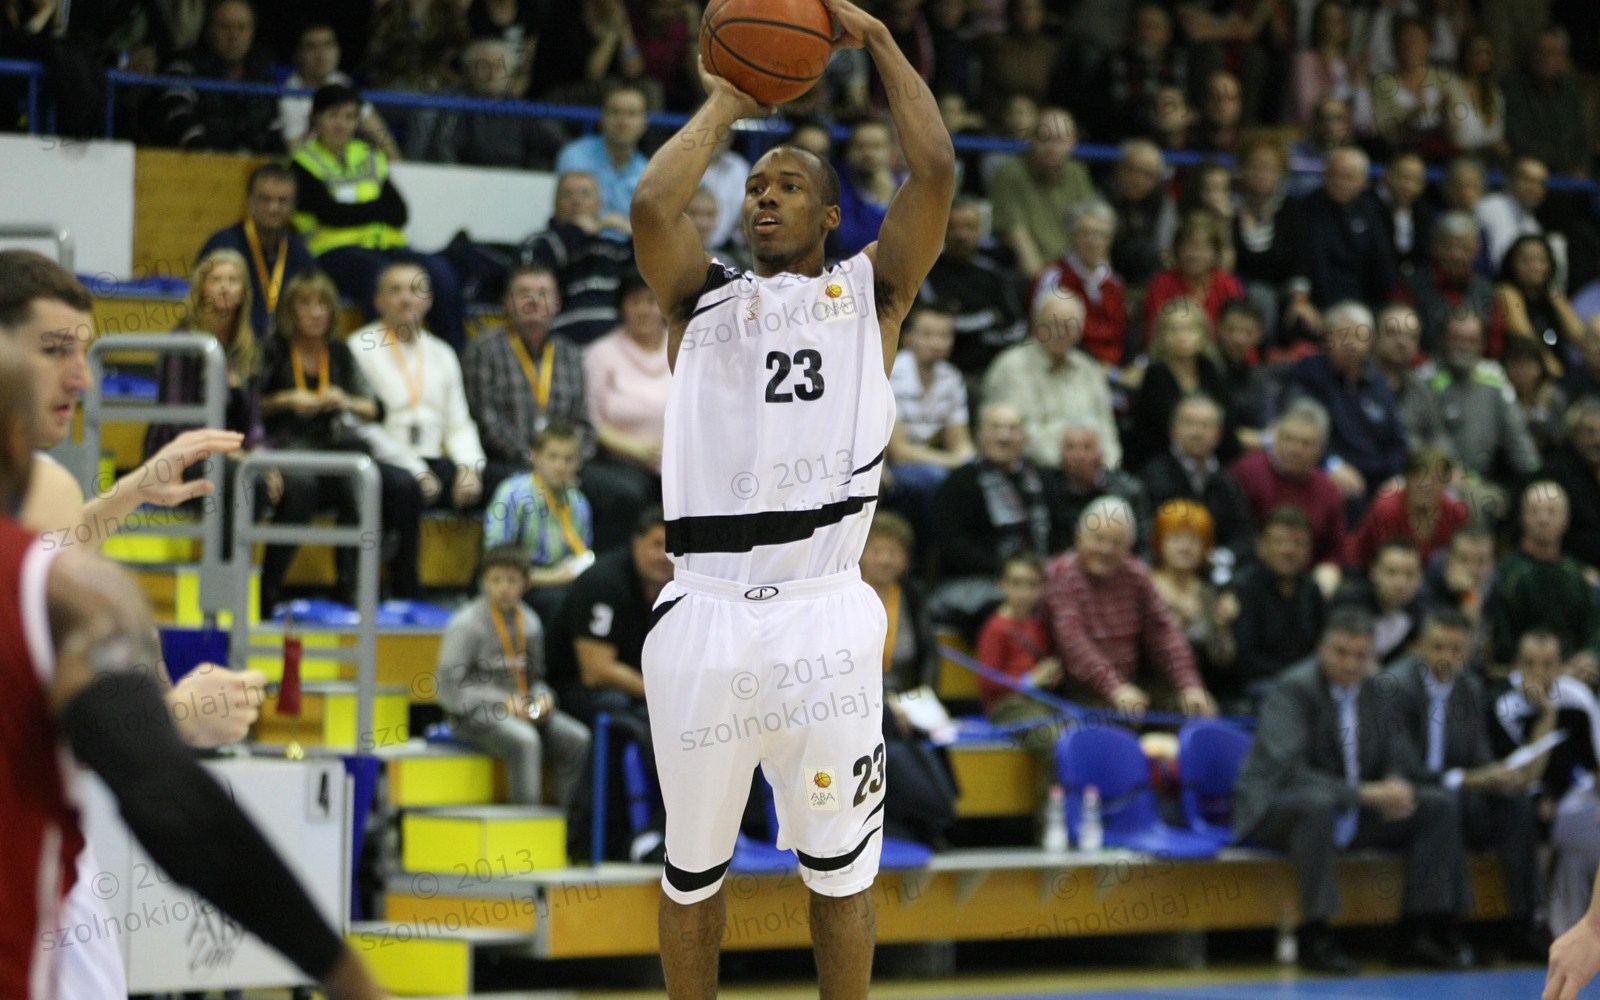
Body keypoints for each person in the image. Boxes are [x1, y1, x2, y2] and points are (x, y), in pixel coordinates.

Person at [628, 0, 956, 990]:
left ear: (831, 215)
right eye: (756, 187)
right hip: (707, 608)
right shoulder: (699, 298)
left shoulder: (872, 296)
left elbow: (935, 171)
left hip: (824, 612)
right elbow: (652, 207)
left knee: (840, 872)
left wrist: (883, 43)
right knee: (692, 872)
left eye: (790, 185)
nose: (765, 197)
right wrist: (727, 104)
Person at [0, 339, 391, 998]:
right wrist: (346, 975)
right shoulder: (69, 598)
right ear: (18, 443)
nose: (78, 379)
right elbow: (171, 804)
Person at [1231, 606, 1475, 976]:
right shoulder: (1294, 688)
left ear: (1373, 657)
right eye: (1341, 653)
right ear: (1321, 649)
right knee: (1317, 806)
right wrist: (1364, 794)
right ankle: (1317, 935)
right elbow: (1290, 772)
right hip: (1275, 808)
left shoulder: (1376, 691)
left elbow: (1397, 756)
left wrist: (1394, 784)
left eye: (1360, 655)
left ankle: (1419, 932)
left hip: (1348, 809)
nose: (1350, 664)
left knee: (1437, 806)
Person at [1385, 610, 1546, 959]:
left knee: (1516, 804)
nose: (1447, 656)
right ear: (1420, 646)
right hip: (1408, 794)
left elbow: (1478, 757)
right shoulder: (1395, 685)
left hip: (1457, 792)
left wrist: (1498, 777)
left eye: (1456, 649)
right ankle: (1432, 929)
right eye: (1438, 646)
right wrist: (1471, 779)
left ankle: (1523, 921)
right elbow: (1403, 766)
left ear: (1469, 652)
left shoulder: (1470, 688)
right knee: (1443, 805)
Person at [257, 271, 407, 614]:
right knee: (303, 488)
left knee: (361, 469)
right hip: (284, 448)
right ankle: (268, 589)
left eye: (322, 304)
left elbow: (377, 408)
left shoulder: (338, 352)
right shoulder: (274, 350)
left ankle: (352, 584)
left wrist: (345, 400)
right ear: (291, 312)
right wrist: (286, 400)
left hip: (328, 448)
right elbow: (250, 407)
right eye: (306, 305)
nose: (315, 313)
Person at [291, 84, 466, 351]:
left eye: (350, 117)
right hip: (335, 252)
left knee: (440, 272)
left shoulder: (369, 156)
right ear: (316, 118)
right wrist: (373, 209)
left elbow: (398, 213)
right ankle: (384, 359)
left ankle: (453, 359)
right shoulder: (302, 163)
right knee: (382, 279)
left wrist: (352, 211)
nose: (342, 124)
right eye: (334, 115)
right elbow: (331, 214)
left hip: (387, 247)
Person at [544, 507, 675, 861]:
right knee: (629, 718)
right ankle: (606, 834)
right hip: (572, 688)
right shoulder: (603, 583)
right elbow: (596, 671)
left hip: (636, 688)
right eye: (656, 545)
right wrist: (665, 695)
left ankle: (677, 830)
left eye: (670, 547)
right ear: (635, 543)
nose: (663, 556)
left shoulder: (678, 589)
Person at [349, 261, 487, 589]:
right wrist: (415, 469)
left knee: (497, 483)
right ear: (379, 300)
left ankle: (479, 589)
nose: (406, 299)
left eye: (416, 290)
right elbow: (360, 425)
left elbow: (458, 422)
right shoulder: (360, 346)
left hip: (433, 458)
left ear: (429, 300)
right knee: (403, 487)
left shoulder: (442, 353)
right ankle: (405, 588)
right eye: (395, 290)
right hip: (386, 459)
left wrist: (470, 467)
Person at [437, 545, 592, 808]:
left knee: (577, 738)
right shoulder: (466, 625)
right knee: (525, 740)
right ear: (484, 582)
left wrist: (543, 697)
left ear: (526, 584)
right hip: (471, 714)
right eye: (495, 580)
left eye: (511, 580)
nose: (503, 589)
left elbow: (536, 678)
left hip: (523, 708)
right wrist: (501, 702)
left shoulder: (530, 623)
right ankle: (526, 821)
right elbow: (449, 688)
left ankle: (564, 821)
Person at [1043, 495, 1219, 718]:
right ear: (1079, 536)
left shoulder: (1136, 574)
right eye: (1098, 539)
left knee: (1197, 711)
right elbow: (1073, 642)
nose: (1106, 549)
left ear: (1129, 545)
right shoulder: (1061, 574)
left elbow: (1163, 633)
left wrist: (1190, 685)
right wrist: (1115, 688)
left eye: (1117, 543)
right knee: (1121, 723)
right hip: (1075, 690)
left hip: (1130, 684)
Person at [863, 511, 958, 849]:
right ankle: (897, 823)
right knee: (888, 730)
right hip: (859, 699)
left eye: (894, 552)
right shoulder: (848, 596)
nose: (886, 559)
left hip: (906, 696)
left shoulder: (912, 595)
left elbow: (929, 656)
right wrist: (888, 705)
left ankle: (936, 821)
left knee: (935, 729)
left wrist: (923, 699)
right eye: (878, 550)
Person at [463, 263, 596, 504]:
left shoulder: (570, 353)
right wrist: (537, 462)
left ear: (557, 303)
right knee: (520, 485)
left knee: (619, 491)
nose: (534, 300)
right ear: (508, 301)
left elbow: (584, 423)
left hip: (565, 464)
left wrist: (567, 461)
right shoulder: (484, 350)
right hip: (507, 462)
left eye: (543, 293)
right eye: (524, 293)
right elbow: (487, 421)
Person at [930, 402, 1061, 631]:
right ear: (979, 435)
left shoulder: (1044, 479)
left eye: (1012, 429)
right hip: (981, 580)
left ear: (1025, 437)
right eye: (995, 428)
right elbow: (954, 547)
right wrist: (1012, 572)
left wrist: (1039, 571)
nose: (1004, 437)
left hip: (1040, 575)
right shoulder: (958, 483)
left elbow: (1060, 532)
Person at [983, 288, 1122, 470]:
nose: (1060, 332)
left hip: (1092, 473)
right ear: (1036, 324)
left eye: (1068, 326)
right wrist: (1072, 468)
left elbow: (1108, 432)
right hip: (1035, 471)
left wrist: (1107, 468)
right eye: (1052, 324)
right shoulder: (1011, 367)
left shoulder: (1089, 370)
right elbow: (1019, 436)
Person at [583, 270, 672, 551]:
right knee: (630, 494)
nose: (644, 310)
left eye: (651, 301)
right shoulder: (600, 354)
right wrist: (637, 449)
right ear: (622, 307)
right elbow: (590, 421)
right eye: (635, 302)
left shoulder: (685, 345)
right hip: (622, 461)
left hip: (680, 458)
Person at [975, 552, 1062, 817]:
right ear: (1002, 584)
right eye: (1016, 583)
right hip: (1008, 706)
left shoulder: (1040, 624)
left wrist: (1052, 674)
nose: (1023, 592)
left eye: (1031, 584)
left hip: (1040, 702)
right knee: (1055, 743)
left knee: (1078, 738)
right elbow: (987, 681)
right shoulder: (996, 627)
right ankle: (1050, 823)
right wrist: (1029, 680)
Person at [483, 422, 594, 623]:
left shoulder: (579, 502)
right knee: (560, 604)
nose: (560, 466)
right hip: (520, 583)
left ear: (578, 463)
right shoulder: (512, 494)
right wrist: (552, 578)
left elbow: (581, 554)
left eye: (568, 459)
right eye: (552, 457)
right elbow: (497, 561)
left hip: (562, 580)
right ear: (535, 457)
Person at [1489, 480, 1600, 679]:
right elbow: (1499, 644)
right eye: (1535, 511)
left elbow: (1593, 627)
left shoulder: (1576, 574)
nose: (1543, 519)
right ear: (1523, 517)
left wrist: (1590, 655)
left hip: (1576, 677)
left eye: (1551, 511)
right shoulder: (1505, 574)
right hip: (1520, 676)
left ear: (1566, 519)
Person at [885, 305, 974, 553]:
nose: (937, 343)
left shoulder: (951, 377)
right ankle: (931, 555)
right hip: (892, 466)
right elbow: (900, 452)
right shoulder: (891, 372)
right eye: (927, 335)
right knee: (939, 479)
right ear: (908, 338)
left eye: (944, 335)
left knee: (977, 474)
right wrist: (954, 461)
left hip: (934, 460)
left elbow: (961, 442)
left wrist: (967, 461)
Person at [1229, 398, 1348, 581]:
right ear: (1275, 439)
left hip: (1304, 581)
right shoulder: (1246, 472)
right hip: (1248, 572)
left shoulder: (1328, 490)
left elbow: (1335, 550)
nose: (1296, 449)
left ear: (1321, 449)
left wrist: (1328, 572)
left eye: (1306, 443)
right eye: (1289, 439)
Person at [197, 163, 318, 338]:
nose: (273, 208)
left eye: (282, 201)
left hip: (284, 347)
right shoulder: (223, 245)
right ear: (250, 201)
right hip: (231, 343)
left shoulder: (300, 253)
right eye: (265, 199)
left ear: (294, 205)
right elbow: (199, 305)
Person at [1227, 505, 1327, 713]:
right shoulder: (1245, 586)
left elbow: (1322, 644)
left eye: (1298, 543)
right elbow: (1245, 658)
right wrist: (1294, 679)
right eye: (1280, 542)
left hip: (1306, 685)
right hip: (1258, 686)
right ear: (1261, 547)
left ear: (1309, 550)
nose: (1289, 550)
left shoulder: (1311, 589)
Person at [520, 171, 636, 345]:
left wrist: (635, 236)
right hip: (560, 341)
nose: (576, 201)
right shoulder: (540, 243)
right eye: (568, 194)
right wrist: (575, 231)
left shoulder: (615, 249)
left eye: (585, 194)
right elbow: (529, 279)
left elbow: (651, 277)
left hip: (619, 342)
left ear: (600, 205)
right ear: (555, 204)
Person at [917, 197, 1027, 380]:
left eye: (969, 227)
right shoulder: (926, 273)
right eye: (953, 227)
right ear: (942, 230)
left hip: (991, 370)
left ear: (981, 232)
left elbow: (1016, 327)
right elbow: (934, 327)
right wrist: (988, 319)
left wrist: (982, 335)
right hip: (941, 371)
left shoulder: (993, 273)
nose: (961, 235)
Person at [152, 0, 282, 153]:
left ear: (252, 33)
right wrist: (207, 157)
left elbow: (275, 133)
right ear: (210, 30)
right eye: (225, 27)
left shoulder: (263, 78)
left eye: (241, 28)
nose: (233, 35)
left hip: (254, 164)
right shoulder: (185, 68)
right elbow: (179, 115)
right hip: (195, 162)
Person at [1139, 392, 1254, 560]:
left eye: (1206, 425)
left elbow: (1244, 535)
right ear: (1173, 430)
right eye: (1189, 423)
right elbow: (1147, 532)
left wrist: (1221, 557)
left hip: (1216, 565)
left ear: (1218, 435)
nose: (1197, 432)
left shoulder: (1227, 481)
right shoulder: (1152, 475)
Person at [1126, 297, 1237, 470]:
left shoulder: (1210, 368)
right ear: (1162, 335)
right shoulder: (1155, 374)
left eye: (1190, 329)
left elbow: (1227, 421)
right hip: (1161, 461)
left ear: (1203, 334)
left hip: (1211, 458)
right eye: (1174, 330)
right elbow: (1164, 429)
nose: (1182, 337)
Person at [989, 107, 1095, 277]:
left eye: (1059, 140)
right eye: (1044, 139)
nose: (1051, 148)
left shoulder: (1077, 173)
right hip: (1030, 274)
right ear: (1031, 139)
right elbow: (1016, 235)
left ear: (1073, 143)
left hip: (1074, 270)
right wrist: (1045, 283)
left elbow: (1090, 229)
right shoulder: (1010, 173)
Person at [1032, 201, 1131, 369]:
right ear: (1071, 237)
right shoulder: (1054, 277)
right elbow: (1046, 334)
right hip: (1069, 365)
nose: (1093, 242)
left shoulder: (1115, 283)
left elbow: (1122, 333)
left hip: (1114, 368)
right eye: (1085, 234)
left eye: (1101, 235)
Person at [1149, 499, 1238, 680]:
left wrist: (1224, 627)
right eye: (1176, 538)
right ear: (1159, 542)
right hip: (1152, 685)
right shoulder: (1145, 586)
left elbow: (1222, 660)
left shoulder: (1207, 591)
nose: (1185, 547)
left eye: (1194, 540)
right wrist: (1176, 625)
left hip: (1202, 684)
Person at [279, 22, 400, 156]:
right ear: (298, 54)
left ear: (338, 50)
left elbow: (378, 132)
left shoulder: (341, 81)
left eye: (328, 44)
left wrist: (396, 161)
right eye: (312, 47)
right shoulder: (290, 94)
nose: (321, 54)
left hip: (342, 161)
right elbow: (295, 152)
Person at [1342, 446, 1468, 572]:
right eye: (1418, 476)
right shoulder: (1386, 509)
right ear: (1406, 478)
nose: (1426, 485)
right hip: (1363, 570)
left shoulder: (1456, 512)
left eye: (1435, 479)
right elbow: (1386, 566)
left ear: (1445, 484)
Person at [554, 81, 651, 221]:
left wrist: (626, 229)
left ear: (645, 124)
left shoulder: (647, 172)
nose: (623, 122)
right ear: (602, 119)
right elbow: (569, 215)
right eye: (615, 112)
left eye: (631, 114)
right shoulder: (575, 154)